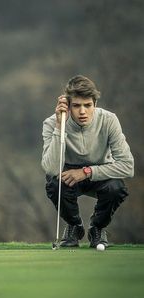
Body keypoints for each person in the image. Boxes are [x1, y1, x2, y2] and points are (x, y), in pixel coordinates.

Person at [41, 75, 134, 248]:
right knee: (55, 184)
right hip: (68, 175)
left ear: (95, 105)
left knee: (116, 188)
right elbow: (51, 168)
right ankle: (74, 227)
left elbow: (128, 167)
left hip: (100, 173)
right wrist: (59, 127)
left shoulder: (109, 120)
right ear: (68, 106)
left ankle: (97, 229)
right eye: (76, 106)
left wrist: (86, 172)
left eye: (87, 105)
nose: (82, 111)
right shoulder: (51, 123)